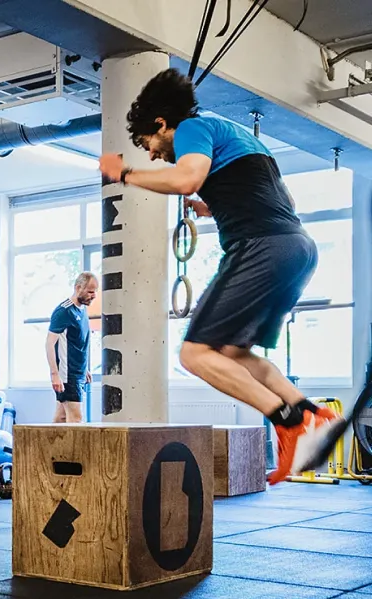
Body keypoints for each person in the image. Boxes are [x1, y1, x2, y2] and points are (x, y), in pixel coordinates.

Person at [99, 68, 338, 484]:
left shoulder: (192, 127)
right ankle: (313, 413)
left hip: (262, 247)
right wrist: (213, 208)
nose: (152, 154)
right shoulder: (231, 131)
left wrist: (124, 174)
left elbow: (186, 179)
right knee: (230, 353)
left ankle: (289, 422)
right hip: (296, 247)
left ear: (160, 124)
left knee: (194, 354)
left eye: (148, 143)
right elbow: (278, 195)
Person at [47, 272, 97, 422]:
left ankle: (48, 446)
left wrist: (85, 368)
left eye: (95, 291)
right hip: (67, 375)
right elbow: (49, 344)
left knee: (61, 418)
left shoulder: (82, 309)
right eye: (90, 291)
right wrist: (54, 375)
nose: (94, 295)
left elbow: (78, 342)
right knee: (76, 419)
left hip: (78, 372)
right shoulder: (64, 311)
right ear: (78, 288)